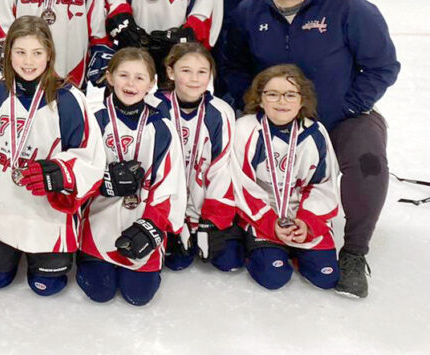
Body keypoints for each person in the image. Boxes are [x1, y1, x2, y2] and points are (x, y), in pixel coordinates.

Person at [222, 0, 399, 298]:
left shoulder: (347, 7)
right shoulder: (247, 14)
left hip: (338, 119)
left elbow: (383, 65)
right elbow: (231, 68)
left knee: (368, 159)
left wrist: (348, 105)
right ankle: (260, 226)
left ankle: (353, 252)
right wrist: (252, 107)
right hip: (274, 122)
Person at [0, 16, 107, 298]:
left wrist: (59, 172)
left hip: (48, 218)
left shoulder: (70, 100)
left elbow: (90, 159)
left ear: (49, 55)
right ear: (7, 54)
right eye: (20, 52)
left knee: (46, 287)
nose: (28, 61)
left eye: (37, 53)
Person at [77, 48, 185, 307]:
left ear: (151, 84)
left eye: (139, 77)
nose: (131, 83)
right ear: (110, 77)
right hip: (99, 217)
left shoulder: (162, 127)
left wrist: (153, 225)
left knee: (138, 295)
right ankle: (89, 253)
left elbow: (170, 183)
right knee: (100, 292)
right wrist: (103, 182)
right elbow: (77, 170)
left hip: (143, 216)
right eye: (123, 75)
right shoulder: (94, 119)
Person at [233, 64, 340, 292]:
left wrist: (306, 221)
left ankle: (295, 245)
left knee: (326, 277)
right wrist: (270, 222)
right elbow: (241, 184)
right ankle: (264, 248)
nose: (282, 101)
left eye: (290, 94)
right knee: (273, 276)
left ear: (302, 100)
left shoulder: (315, 132)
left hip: (301, 215)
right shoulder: (245, 129)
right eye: (272, 94)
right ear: (260, 99)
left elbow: (322, 183)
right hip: (262, 215)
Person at [152, 42, 241, 272]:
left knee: (228, 261)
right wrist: (172, 216)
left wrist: (212, 220)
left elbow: (222, 167)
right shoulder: (154, 107)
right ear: (171, 72)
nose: (194, 79)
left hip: (203, 205)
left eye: (202, 72)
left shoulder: (221, 112)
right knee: (175, 262)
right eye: (186, 70)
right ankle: (173, 226)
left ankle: (200, 225)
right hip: (166, 204)